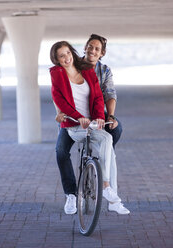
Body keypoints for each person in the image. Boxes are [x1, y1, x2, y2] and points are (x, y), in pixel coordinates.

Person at [50, 41, 130, 215]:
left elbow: (102, 96)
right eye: (62, 56)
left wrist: (103, 117)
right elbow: (58, 99)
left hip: (92, 122)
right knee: (61, 152)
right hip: (72, 123)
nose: (66, 58)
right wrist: (76, 117)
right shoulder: (58, 74)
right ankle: (71, 195)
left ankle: (111, 194)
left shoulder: (92, 70)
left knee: (110, 146)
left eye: (68, 53)